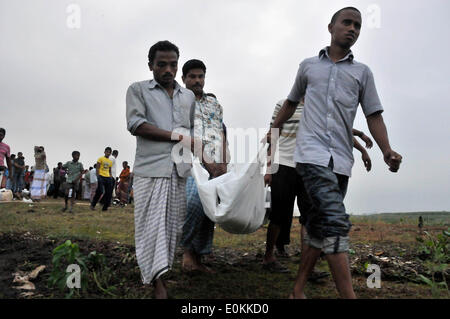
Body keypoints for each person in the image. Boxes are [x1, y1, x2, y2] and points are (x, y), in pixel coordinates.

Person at [266, 7, 402, 299]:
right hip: (310, 156)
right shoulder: (308, 67)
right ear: (331, 27)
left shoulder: (362, 73)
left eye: (358, 25)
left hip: (340, 161)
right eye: (347, 23)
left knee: (318, 226)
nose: (352, 29)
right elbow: (290, 103)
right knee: (336, 222)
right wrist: (273, 130)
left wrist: (386, 150)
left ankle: (297, 290)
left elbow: (373, 115)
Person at [125, 40, 220, 299]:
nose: (168, 69)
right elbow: (137, 125)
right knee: (150, 228)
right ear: (150, 66)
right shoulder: (138, 90)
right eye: (161, 64)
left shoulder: (187, 96)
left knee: (172, 228)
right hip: (150, 169)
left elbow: (190, 132)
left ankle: (160, 272)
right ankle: (157, 283)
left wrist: (207, 161)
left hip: (180, 170)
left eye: (172, 64)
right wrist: (178, 139)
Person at [263, 98, 373, 274]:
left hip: (309, 166)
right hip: (283, 164)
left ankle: (307, 266)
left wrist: (362, 145)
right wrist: (268, 169)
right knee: (279, 215)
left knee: (309, 216)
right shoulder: (283, 105)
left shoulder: (318, 106)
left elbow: (340, 127)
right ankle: (269, 257)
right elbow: (273, 135)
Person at [179, 59, 228, 273]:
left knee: (210, 209)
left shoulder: (214, 104)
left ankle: (198, 257)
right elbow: (181, 134)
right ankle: (186, 251)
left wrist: (223, 163)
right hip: (192, 162)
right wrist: (207, 162)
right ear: (184, 79)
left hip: (218, 164)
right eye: (192, 76)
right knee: (195, 204)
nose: (197, 80)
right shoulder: (178, 101)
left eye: (200, 76)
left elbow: (222, 131)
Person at [90, 147, 113, 211]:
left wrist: (111, 177)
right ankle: (93, 205)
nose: (108, 153)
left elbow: (110, 170)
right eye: (107, 151)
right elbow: (97, 168)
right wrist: (98, 176)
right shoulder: (100, 159)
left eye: (109, 152)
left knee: (108, 193)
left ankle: (105, 208)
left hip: (108, 177)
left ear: (110, 153)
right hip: (101, 176)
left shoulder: (110, 162)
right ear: (104, 152)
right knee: (99, 191)